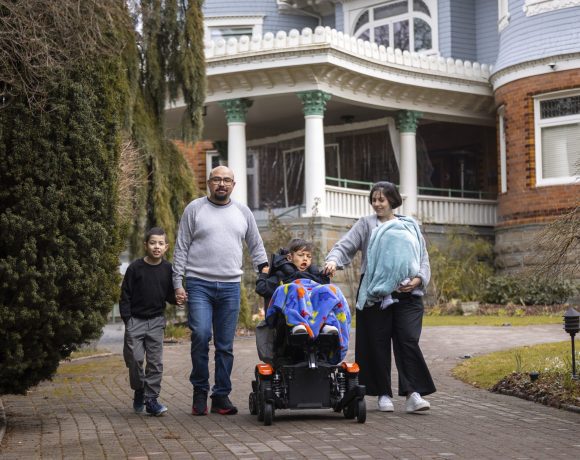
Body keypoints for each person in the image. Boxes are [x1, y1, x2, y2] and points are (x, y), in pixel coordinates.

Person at [323, 181, 436, 413]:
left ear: (392, 200)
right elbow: (345, 246)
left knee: (408, 339)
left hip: (407, 292)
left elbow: (422, 257)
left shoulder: (409, 225)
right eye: (374, 199)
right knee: (377, 342)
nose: (377, 204)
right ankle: (383, 393)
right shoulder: (366, 224)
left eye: (381, 199)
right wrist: (333, 261)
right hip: (375, 292)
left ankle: (413, 393)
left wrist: (418, 279)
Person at [173, 166, 269, 416]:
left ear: (233, 185)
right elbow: (181, 247)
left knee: (225, 345)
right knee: (201, 336)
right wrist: (177, 282)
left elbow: (256, 244)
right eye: (217, 179)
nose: (222, 184)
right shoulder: (194, 209)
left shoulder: (242, 212)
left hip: (229, 287)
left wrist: (265, 272)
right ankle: (200, 392)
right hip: (198, 284)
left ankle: (221, 396)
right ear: (208, 183)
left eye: (227, 180)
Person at [120, 227, 179, 416]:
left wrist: (178, 298)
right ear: (146, 245)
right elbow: (125, 296)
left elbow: (169, 295)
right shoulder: (135, 268)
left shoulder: (168, 269)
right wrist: (128, 320)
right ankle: (139, 389)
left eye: (161, 243)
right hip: (135, 321)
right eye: (153, 243)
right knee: (135, 360)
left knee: (155, 363)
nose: (156, 247)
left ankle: (151, 399)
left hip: (155, 322)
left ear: (166, 247)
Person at [256, 238, 332, 330]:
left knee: (330, 290)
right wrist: (264, 274)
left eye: (309, 256)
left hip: (315, 317)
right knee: (295, 288)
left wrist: (325, 276)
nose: (305, 259)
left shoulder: (314, 276)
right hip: (286, 322)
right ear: (289, 257)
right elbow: (262, 289)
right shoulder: (282, 275)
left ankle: (329, 324)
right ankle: (298, 324)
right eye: (300, 255)